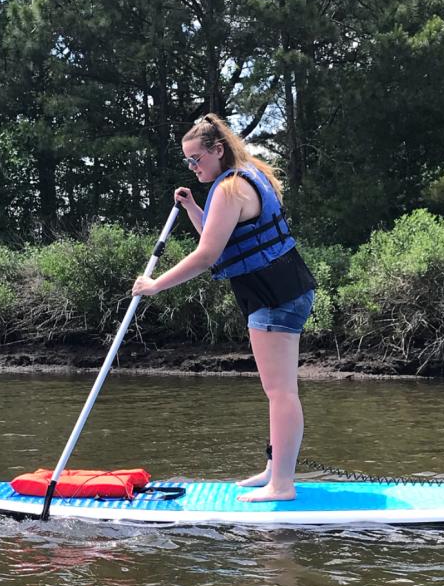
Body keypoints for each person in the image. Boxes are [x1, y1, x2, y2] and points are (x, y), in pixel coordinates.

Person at [132, 113, 316, 502]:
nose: (193, 166)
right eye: (188, 161)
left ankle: (282, 485)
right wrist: (195, 209)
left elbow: (206, 256)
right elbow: (222, 238)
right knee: (278, 391)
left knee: (280, 392)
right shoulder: (242, 177)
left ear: (218, 151)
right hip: (280, 291)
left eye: (197, 158)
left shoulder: (232, 188)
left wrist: (154, 286)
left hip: (274, 297)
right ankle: (274, 469)